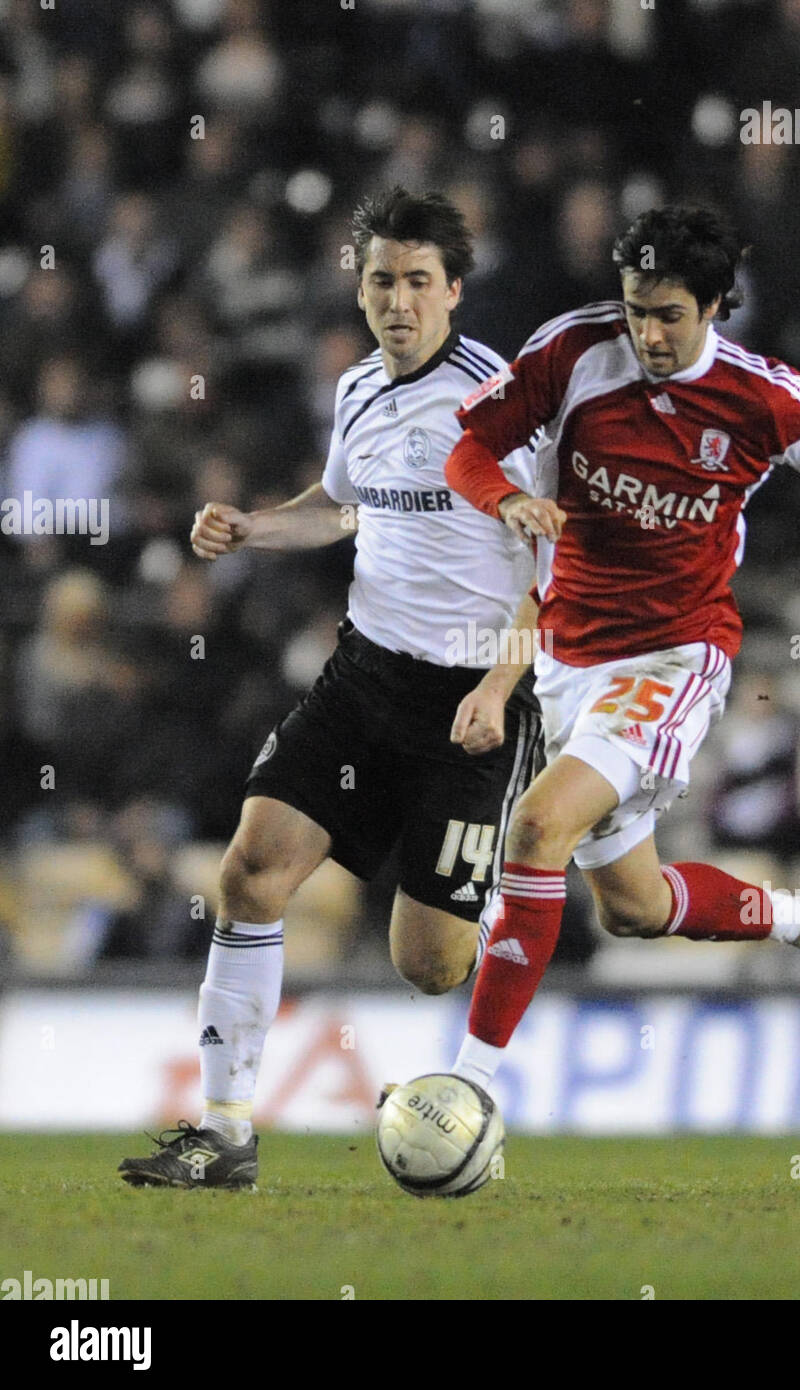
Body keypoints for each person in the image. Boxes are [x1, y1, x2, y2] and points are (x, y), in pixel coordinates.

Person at [119, 188, 542, 1188]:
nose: (401, 300)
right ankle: (224, 1132)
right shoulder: (357, 391)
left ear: (455, 291)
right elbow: (343, 507)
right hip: (365, 674)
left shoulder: (501, 403)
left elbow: (553, 564)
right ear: (360, 290)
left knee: (428, 964)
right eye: (382, 281)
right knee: (250, 871)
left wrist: (502, 680)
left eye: (419, 282)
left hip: (472, 699)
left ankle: (515, 892)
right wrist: (255, 528)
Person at [438, 205, 800, 1097]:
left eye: (668, 313)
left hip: (673, 657)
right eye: (636, 308)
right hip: (568, 657)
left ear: (716, 305)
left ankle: (467, 1088)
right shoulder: (572, 353)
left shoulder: (764, 399)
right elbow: (470, 449)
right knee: (635, 908)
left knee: (533, 826)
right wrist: (505, 502)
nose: (647, 331)